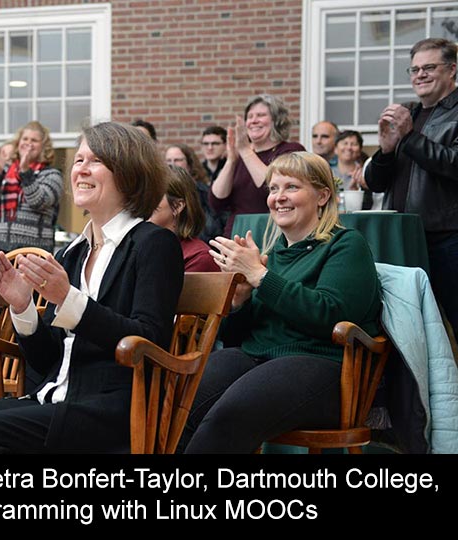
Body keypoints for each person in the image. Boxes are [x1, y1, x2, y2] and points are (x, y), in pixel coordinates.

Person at [0, 122, 183, 454]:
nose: (81, 169)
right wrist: (22, 307)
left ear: (130, 173)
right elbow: (47, 361)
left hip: (113, 409)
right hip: (53, 396)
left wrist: (68, 299)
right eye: (78, 160)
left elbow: (149, 338)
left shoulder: (154, 244)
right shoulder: (74, 253)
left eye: (95, 161)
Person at [180, 152, 381, 453]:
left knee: (231, 415)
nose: (279, 197)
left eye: (291, 187)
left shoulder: (346, 245)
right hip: (257, 358)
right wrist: (240, 301)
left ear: (323, 195)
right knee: (179, 404)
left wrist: (261, 276)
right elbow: (235, 337)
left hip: (325, 367)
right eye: (273, 189)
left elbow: (329, 315)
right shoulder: (273, 255)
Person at [365, 37, 458, 335]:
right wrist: (385, 150)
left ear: (452, 69)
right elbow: (376, 183)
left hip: (447, 238)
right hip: (404, 238)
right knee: (407, 329)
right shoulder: (411, 114)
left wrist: (409, 137)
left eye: (429, 67)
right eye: (415, 69)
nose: (420, 75)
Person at [209, 94, 305, 237]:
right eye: (250, 116)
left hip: (273, 233)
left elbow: (272, 187)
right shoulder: (240, 156)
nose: (253, 121)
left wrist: (245, 150)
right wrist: (231, 160)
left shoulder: (290, 151)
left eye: (260, 115)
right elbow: (216, 202)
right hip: (237, 234)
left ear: (276, 120)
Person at [0, 120, 63, 253]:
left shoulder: (52, 175)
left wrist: (25, 172)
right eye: (25, 139)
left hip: (34, 252)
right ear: (18, 143)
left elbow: (38, 201)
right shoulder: (6, 171)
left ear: (43, 147)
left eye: (34, 140)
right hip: (0, 249)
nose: (28, 143)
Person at [150, 166, 220, 272]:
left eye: (154, 197)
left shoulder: (198, 257)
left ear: (177, 206)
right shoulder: (145, 247)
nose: (144, 204)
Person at [165, 143, 222, 242]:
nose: (172, 164)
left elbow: (213, 226)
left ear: (190, 164)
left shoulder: (204, 192)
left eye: (177, 160)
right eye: (168, 160)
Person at [332, 130, 373, 210]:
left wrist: (359, 190)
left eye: (354, 144)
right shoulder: (328, 173)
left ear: (360, 150)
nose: (349, 147)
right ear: (335, 149)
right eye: (345, 143)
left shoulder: (365, 174)